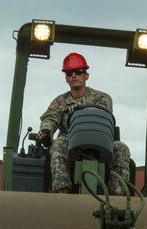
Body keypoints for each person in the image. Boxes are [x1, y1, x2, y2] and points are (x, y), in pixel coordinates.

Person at [37, 52, 131, 195]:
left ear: (86, 76)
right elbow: (50, 119)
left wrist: (77, 110)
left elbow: (103, 113)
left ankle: (116, 196)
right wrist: (46, 131)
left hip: (100, 141)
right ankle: (62, 191)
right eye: (69, 73)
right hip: (69, 142)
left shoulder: (102, 98)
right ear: (66, 79)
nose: (74, 75)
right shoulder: (59, 101)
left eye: (78, 72)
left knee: (121, 148)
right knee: (58, 144)